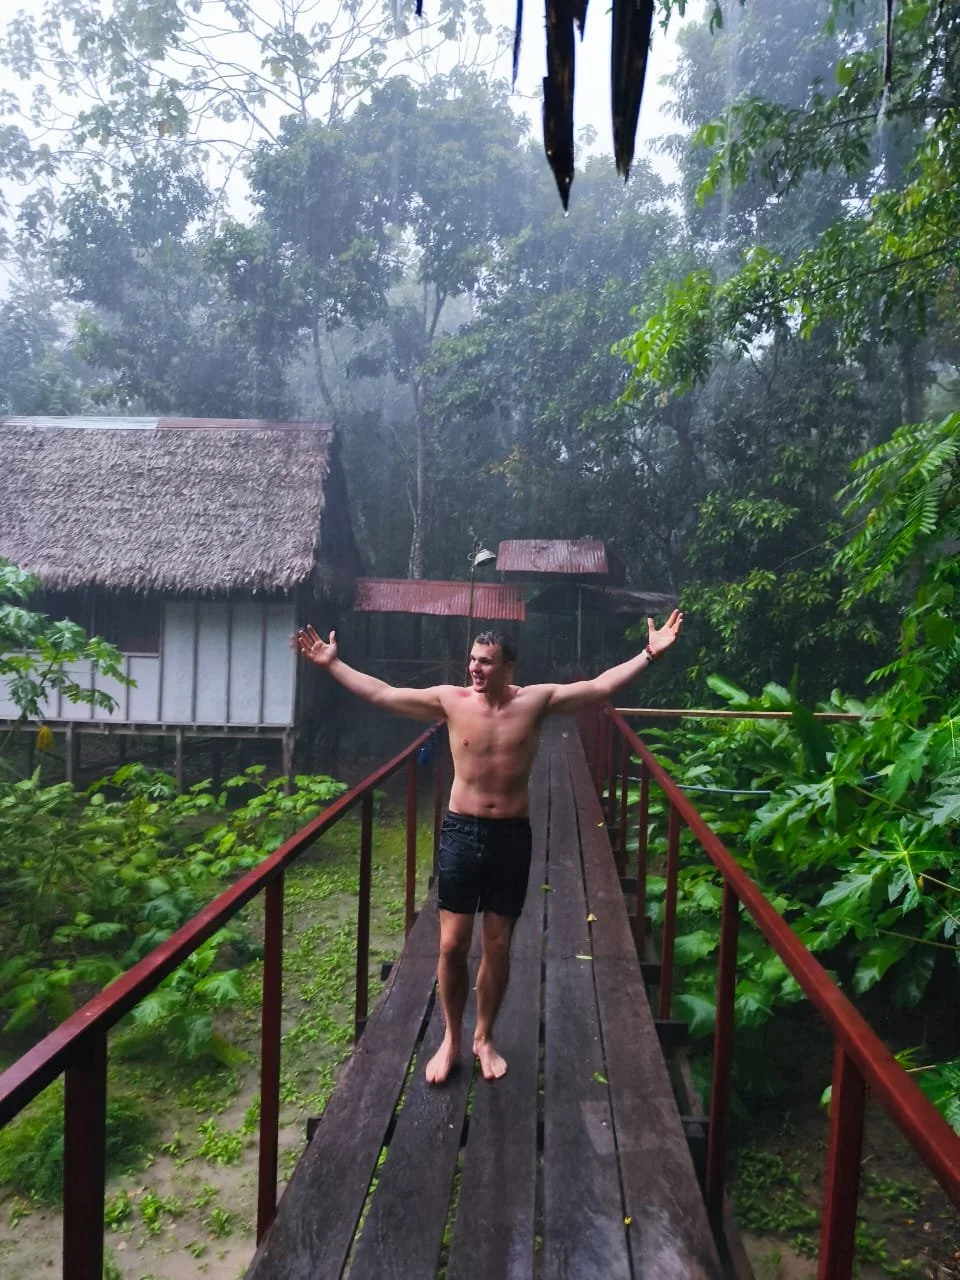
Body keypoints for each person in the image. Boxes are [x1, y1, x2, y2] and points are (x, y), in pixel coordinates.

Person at [297, 611, 683, 1085]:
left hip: (510, 837)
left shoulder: (535, 701)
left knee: (498, 946)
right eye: (472, 660)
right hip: (461, 832)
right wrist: (333, 665)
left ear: (508, 668)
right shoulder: (451, 700)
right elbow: (383, 694)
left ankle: (483, 1036)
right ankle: (452, 1040)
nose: (475, 669)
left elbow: (600, 688)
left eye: (485, 662)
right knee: (451, 944)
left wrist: (649, 653)